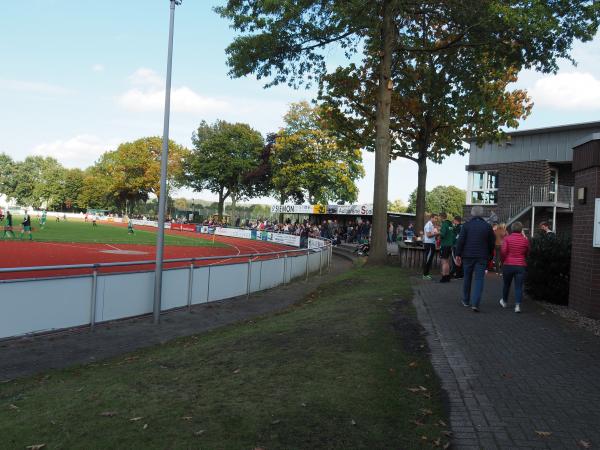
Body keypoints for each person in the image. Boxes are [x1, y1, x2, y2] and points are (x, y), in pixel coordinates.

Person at [455, 206, 496, 312]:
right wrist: (490, 255)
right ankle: (475, 303)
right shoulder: (487, 226)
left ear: (472, 214)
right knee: (479, 280)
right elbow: (492, 243)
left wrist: (457, 254)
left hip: (467, 256)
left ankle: (465, 300)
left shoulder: (466, 226)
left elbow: (460, 241)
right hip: (482, 256)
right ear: (481, 214)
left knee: (467, 278)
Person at [499, 221, 530, 313]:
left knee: (506, 284)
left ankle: (504, 302)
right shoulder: (525, 240)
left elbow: (503, 251)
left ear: (512, 229)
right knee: (519, 286)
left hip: (508, 264)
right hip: (520, 265)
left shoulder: (507, 239)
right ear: (521, 230)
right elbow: (528, 252)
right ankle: (517, 306)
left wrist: (503, 261)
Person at [438, 213, 454, 282]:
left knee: (444, 261)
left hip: (444, 245)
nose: (438, 219)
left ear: (441, 217)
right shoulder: (450, 224)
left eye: (439, 217)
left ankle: (444, 277)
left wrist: (438, 233)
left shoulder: (444, 224)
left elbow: (442, 235)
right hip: (450, 245)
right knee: (447, 261)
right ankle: (447, 276)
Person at [422, 213, 439, 280]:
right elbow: (428, 235)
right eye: (435, 218)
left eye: (436, 218)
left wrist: (436, 234)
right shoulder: (428, 224)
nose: (436, 219)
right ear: (431, 218)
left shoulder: (432, 225)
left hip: (432, 244)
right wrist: (437, 233)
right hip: (428, 244)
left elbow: (432, 234)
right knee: (428, 259)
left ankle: (427, 274)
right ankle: (425, 275)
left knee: (429, 259)